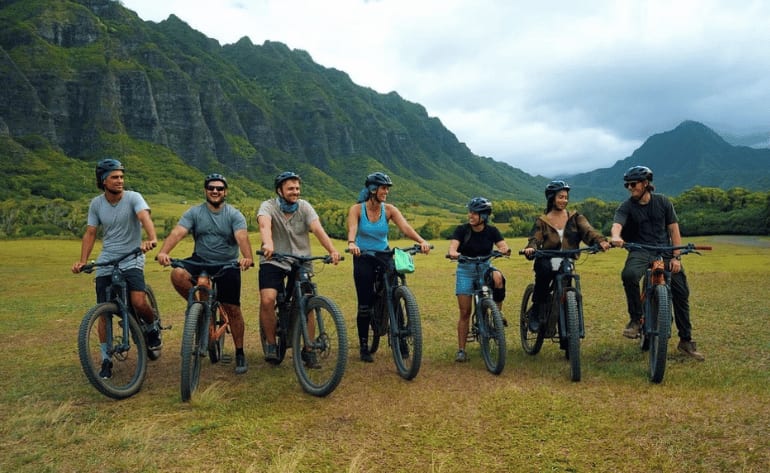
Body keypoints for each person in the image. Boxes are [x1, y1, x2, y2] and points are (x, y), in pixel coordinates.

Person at [156, 173, 254, 374]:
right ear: (205, 191)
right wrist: (164, 252)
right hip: (200, 260)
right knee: (177, 274)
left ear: (225, 192)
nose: (215, 191)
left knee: (233, 309)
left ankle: (240, 352)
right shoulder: (194, 213)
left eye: (219, 188)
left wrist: (246, 257)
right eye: (211, 188)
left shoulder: (234, 214)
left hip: (227, 263)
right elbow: (178, 233)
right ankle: (199, 309)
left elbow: (241, 236)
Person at [71, 158, 160, 380]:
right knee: (103, 311)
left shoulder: (133, 197)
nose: (120, 180)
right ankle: (106, 359)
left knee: (139, 301)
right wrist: (83, 260)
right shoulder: (96, 204)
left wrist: (151, 238)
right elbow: (91, 232)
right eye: (115, 177)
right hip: (108, 258)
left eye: (121, 176)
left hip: (132, 256)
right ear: (103, 181)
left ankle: (152, 328)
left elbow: (144, 217)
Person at [610, 165, 704, 360]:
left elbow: (674, 230)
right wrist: (616, 236)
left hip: (665, 250)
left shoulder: (663, 202)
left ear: (645, 184)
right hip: (640, 250)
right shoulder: (626, 206)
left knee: (681, 293)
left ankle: (686, 341)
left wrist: (677, 257)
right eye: (627, 184)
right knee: (629, 275)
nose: (629, 187)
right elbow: (617, 224)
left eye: (633, 184)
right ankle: (636, 320)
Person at [257, 171, 341, 367]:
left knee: (307, 301)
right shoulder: (268, 206)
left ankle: (308, 349)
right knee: (268, 299)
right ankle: (270, 343)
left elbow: (317, 229)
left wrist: (332, 250)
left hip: (301, 260)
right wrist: (268, 244)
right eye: (290, 189)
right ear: (279, 191)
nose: (295, 192)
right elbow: (264, 226)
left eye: (297, 188)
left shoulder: (304, 207)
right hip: (274, 259)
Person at [346, 171, 432, 362]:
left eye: (387, 188)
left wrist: (421, 240)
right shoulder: (357, 209)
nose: (386, 192)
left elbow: (405, 228)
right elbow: (352, 228)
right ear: (372, 189)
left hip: (384, 254)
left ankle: (400, 341)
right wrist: (352, 243)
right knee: (365, 303)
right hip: (363, 256)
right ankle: (363, 346)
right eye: (384, 188)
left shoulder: (390, 209)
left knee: (394, 294)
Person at [523, 180, 610, 335]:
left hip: (566, 259)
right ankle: (536, 310)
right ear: (551, 198)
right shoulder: (542, 220)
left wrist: (600, 241)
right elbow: (535, 238)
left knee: (566, 287)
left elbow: (589, 231)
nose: (564, 200)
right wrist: (531, 248)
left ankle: (568, 336)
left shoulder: (575, 218)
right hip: (547, 259)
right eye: (560, 197)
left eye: (566, 197)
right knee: (542, 276)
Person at [447, 197, 511, 363]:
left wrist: (504, 250)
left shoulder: (492, 231)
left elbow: (502, 245)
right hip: (466, 270)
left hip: (484, 267)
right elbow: (453, 247)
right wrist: (454, 253)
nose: (471, 215)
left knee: (498, 278)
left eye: (475, 213)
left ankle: (497, 312)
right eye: (470, 212)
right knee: (465, 312)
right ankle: (461, 350)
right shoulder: (462, 230)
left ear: (484, 216)